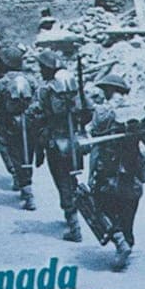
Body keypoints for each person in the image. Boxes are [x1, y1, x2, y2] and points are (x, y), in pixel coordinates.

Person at [84, 73, 145, 269]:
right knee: (129, 209)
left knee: (100, 206)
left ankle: (120, 242)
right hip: (134, 168)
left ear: (108, 90)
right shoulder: (138, 111)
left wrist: (91, 173)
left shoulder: (102, 112)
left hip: (109, 169)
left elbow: (96, 147)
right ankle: (127, 242)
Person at [34, 48, 90, 241]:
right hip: (76, 141)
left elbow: (37, 116)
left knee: (62, 181)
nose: (40, 71)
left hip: (55, 142)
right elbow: (88, 110)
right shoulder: (75, 89)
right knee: (73, 179)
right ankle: (79, 213)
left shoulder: (44, 90)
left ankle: (74, 225)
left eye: (42, 67)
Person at [0, 42, 40, 209]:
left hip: (9, 124)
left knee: (15, 155)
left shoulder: (2, 82)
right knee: (27, 155)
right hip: (29, 123)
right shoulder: (31, 79)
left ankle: (26, 189)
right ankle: (26, 183)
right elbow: (38, 101)